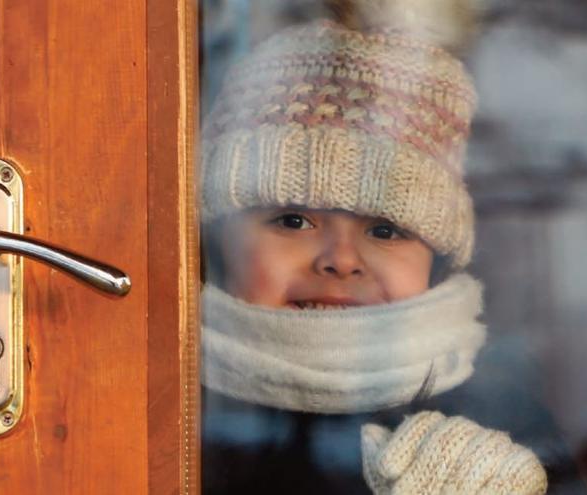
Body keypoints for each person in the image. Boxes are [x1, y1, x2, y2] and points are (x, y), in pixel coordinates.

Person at [199, 1, 550, 492]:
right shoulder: (162, 402)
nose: (340, 260)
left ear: (437, 260)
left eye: (385, 230)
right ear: (219, 242)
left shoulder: (502, 415)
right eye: (293, 219)